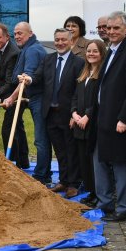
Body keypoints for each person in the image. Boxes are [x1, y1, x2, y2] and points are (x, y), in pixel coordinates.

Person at [93, 11, 126, 222]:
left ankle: (124, 208)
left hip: (119, 122)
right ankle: (105, 203)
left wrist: (124, 119)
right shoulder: (112, 50)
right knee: (102, 160)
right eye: (109, 28)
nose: (112, 31)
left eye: (116, 28)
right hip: (104, 118)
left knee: (121, 164)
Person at [38, 28, 83, 196]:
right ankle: (63, 180)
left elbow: (80, 91)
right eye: (57, 40)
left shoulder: (79, 63)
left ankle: (74, 183)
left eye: (64, 39)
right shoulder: (48, 59)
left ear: (71, 41)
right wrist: (28, 79)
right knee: (60, 150)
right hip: (51, 113)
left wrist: (75, 113)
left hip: (69, 114)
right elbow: (38, 77)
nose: (60, 43)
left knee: (71, 150)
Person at [2, 22, 48, 182]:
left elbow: (25, 79)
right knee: (40, 137)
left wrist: (11, 97)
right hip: (33, 96)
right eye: (15, 33)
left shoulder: (33, 51)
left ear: (30, 33)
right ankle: (42, 172)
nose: (17, 36)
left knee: (41, 139)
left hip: (39, 98)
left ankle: (41, 176)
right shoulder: (28, 49)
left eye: (20, 33)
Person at [0, 24, 27, 167]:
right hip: (10, 93)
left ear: (7, 37)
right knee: (18, 128)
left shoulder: (13, 53)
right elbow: (2, 74)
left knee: (8, 129)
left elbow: (10, 82)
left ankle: (11, 162)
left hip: (16, 95)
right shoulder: (3, 50)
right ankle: (23, 162)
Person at [71, 39, 106, 207]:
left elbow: (99, 101)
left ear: (102, 54)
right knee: (83, 160)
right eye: (89, 51)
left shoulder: (102, 75)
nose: (91, 54)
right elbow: (75, 97)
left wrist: (87, 116)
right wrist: (74, 113)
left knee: (94, 162)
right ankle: (91, 191)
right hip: (79, 124)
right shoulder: (84, 74)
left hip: (92, 125)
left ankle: (99, 192)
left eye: (95, 51)